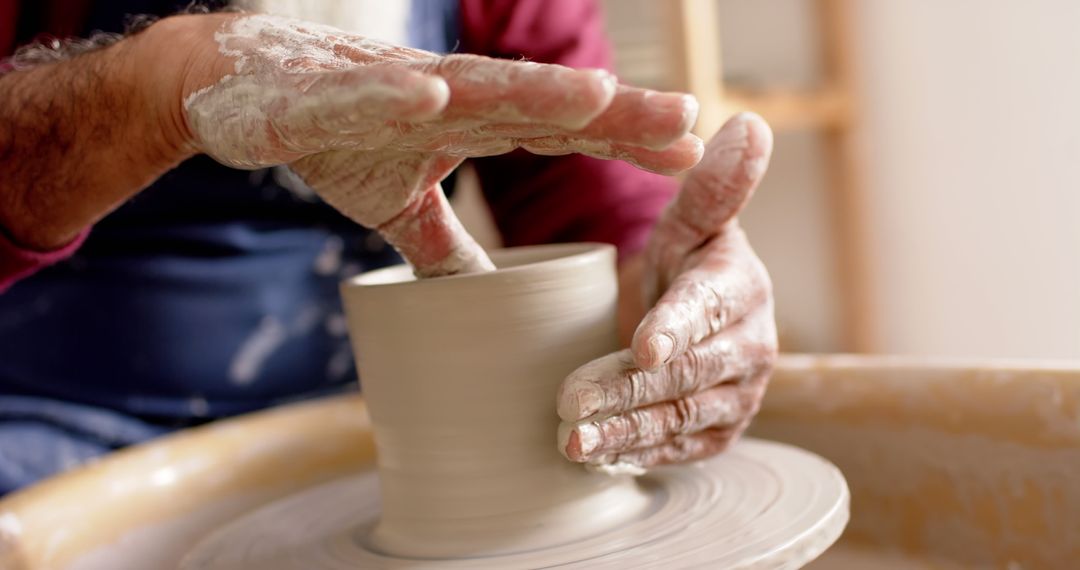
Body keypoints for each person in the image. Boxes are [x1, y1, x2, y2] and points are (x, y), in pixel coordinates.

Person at [0, 0, 776, 493]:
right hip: (57, 413)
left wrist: (668, 299)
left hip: (373, 416)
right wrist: (155, 87)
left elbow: (591, 201)